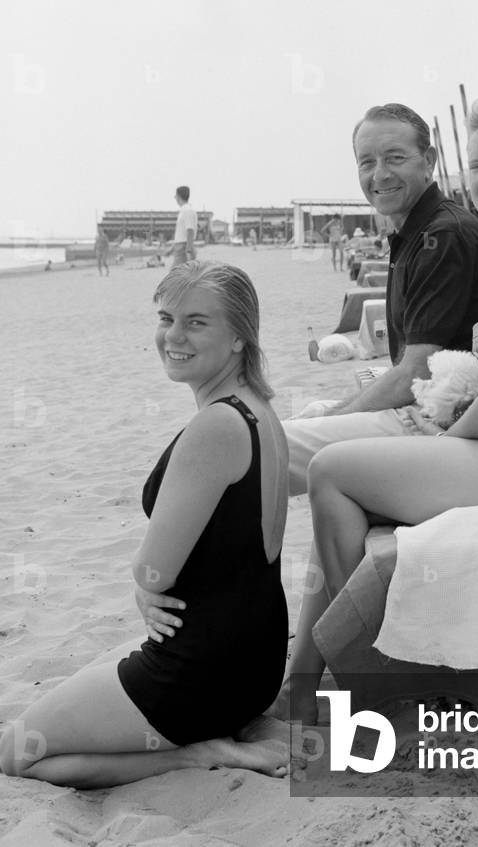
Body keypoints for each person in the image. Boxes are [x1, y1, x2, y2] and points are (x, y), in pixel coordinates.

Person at [269, 89, 478, 725]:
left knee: (331, 471)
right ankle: (306, 680)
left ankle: (362, 679)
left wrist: (436, 446)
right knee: (337, 492)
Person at [0, 262, 293, 787]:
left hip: (200, 674)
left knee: (17, 752)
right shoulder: (258, 410)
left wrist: (142, 586)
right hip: (254, 664)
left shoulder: (216, 426)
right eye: (166, 317)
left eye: (197, 322)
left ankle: (193, 755)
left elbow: (156, 573)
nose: (173, 336)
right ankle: (198, 740)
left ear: (237, 339)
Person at [283, 103, 478, 495]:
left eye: (395, 158)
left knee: (266, 452)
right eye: (366, 162)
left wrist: (335, 417)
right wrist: (331, 413)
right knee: (303, 420)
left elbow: (414, 373)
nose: (379, 174)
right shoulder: (418, 232)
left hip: (441, 418)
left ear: (428, 161)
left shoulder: (443, 235)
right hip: (427, 404)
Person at [172, 186, 197, 267]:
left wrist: (188, 250)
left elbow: (190, 230)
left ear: (179, 196)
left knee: (176, 275)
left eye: (175, 195)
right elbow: (181, 233)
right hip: (180, 247)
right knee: (179, 276)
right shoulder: (184, 210)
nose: (175, 198)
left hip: (183, 248)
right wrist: (172, 249)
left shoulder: (187, 210)